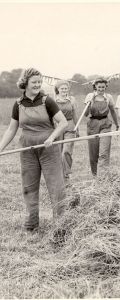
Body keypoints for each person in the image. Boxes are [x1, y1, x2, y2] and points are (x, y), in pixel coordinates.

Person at [0, 68, 68, 232]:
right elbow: (11, 129)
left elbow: (64, 123)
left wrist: (52, 137)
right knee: (29, 187)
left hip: (48, 148)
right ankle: (32, 224)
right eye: (34, 82)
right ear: (26, 83)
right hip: (28, 149)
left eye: (39, 82)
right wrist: (0, 148)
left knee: (56, 186)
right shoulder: (18, 104)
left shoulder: (47, 101)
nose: (38, 85)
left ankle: (60, 225)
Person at [84, 77, 119, 176]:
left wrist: (117, 124)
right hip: (93, 124)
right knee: (93, 154)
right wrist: (89, 104)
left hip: (105, 124)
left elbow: (112, 111)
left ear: (106, 87)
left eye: (103, 87)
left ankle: (103, 177)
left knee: (104, 152)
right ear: (95, 86)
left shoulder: (109, 97)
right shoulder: (90, 96)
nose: (101, 89)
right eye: (99, 87)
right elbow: (86, 114)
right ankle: (95, 176)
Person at [54, 80, 79, 181]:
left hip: (70, 127)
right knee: (59, 152)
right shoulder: (54, 101)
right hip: (59, 128)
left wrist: (77, 128)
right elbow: (52, 117)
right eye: (62, 88)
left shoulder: (72, 100)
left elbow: (74, 115)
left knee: (66, 151)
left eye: (66, 88)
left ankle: (67, 174)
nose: (64, 90)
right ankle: (62, 176)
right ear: (58, 90)